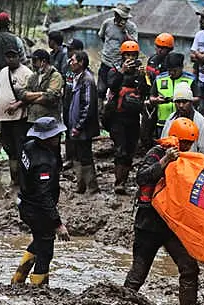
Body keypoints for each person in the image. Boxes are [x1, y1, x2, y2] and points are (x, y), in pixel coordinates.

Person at [124, 118, 202, 305]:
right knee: (139, 272)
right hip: (148, 223)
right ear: (174, 138)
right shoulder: (156, 153)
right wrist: (165, 160)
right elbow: (141, 178)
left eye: (188, 144)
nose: (185, 147)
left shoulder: (188, 160)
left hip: (172, 225)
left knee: (189, 267)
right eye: (183, 143)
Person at [11, 117, 70, 286]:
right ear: (45, 138)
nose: (58, 138)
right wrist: (57, 223)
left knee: (39, 240)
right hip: (37, 210)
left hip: (25, 203)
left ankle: (18, 279)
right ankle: (39, 287)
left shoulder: (28, 147)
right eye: (55, 135)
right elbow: (44, 196)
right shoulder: (44, 163)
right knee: (45, 250)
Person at [106, 40, 149, 194]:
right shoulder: (115, 71)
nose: (130, 58)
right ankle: (119, 182)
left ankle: (124, 180)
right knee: (120, 150)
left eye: (133, 55)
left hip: (133, 117)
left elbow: (145, 92)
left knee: (131, 150)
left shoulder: (139, 73)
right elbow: (111, 85)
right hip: (118, 118)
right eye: (127, 55)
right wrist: (122, 72)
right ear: (122, 56)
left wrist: (144, 76)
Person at [0, 44, 33, 185]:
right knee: (8, 147)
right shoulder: (2, 72)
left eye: (14, 56)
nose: (11, 59)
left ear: (19, 57)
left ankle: (24, 178)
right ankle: (14, 177)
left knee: (21, 147)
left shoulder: (26, 73)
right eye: (8, 56)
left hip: (19, 118)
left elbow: (31, 96)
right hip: (4, 118)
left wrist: (17, 105)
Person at [67, 51, 99, 194]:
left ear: (81, 63)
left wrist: (79, 126)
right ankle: (81, 186)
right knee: (78, 155)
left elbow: (88, 106)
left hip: (83, 128)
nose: (70, 62)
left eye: (73, 60)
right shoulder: (77, 78)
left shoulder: (87, 80)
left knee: (85, 156)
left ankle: (92, 187)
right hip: (76, 126)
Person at [97, 3, 138, 103]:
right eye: (119, 16)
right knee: (101, 90)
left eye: (124, 18)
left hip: (121, 65)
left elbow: (134, 44)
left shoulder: (131, 27)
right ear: (115, 14)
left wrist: (125, 32)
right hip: (106, 62)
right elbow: (102, 36)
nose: (121, 20)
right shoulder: (107, 23)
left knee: (116, 90)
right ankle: (99, 111)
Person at [150, 53, 197, 138]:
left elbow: (198, 98)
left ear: (181, 67)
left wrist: (181, 100)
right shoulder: (159, 79)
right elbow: (151, 97)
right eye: (169, 70)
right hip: (162, 122)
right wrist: (156, 99)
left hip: (185, 122)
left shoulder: (190, 79)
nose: (171, 73)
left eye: (175, 70)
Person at [9, 49, 63, 124]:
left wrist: (30, 100)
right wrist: (41, 93)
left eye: (35, 61)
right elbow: (23, 94)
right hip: (33, 119)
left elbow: (50, 97)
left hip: (50, 121)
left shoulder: (55, 76)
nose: (32, 64)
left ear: (43, 62)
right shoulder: (34, 76)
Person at [161, 82, 204, 155]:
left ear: (191, 102)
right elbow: (163, 145)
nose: (181, 105)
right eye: (178, 102)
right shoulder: (170, 119)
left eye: (185, 102)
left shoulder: (202, 123)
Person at [62, 38, 84, 169]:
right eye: (68, 49)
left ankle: (78, 160)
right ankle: (69, 158)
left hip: (77, 105)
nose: (68, 52)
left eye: (71, 49)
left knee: (78, 132)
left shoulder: (84, 69)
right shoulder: (66, 65)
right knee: (67, 131)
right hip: (67, 102)